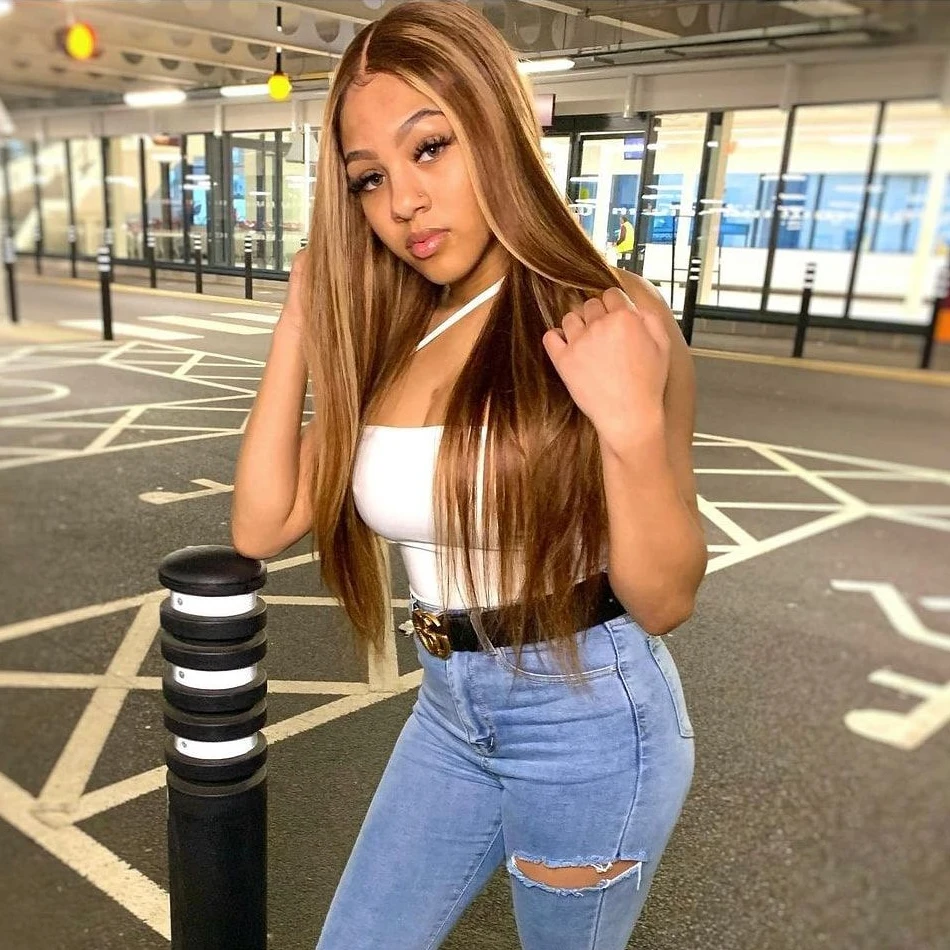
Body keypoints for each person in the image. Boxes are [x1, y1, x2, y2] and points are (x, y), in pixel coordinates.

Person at [231, 2, 707, 947]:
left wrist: (629, 427)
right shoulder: (400, 332)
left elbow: (665, 599)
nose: (402, 201)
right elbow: (262, 522)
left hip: (588, 719)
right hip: (449, 711)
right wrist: (300, 324)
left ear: (497, 128)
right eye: (370, 178)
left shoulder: (607, 316)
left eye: (430, 148)